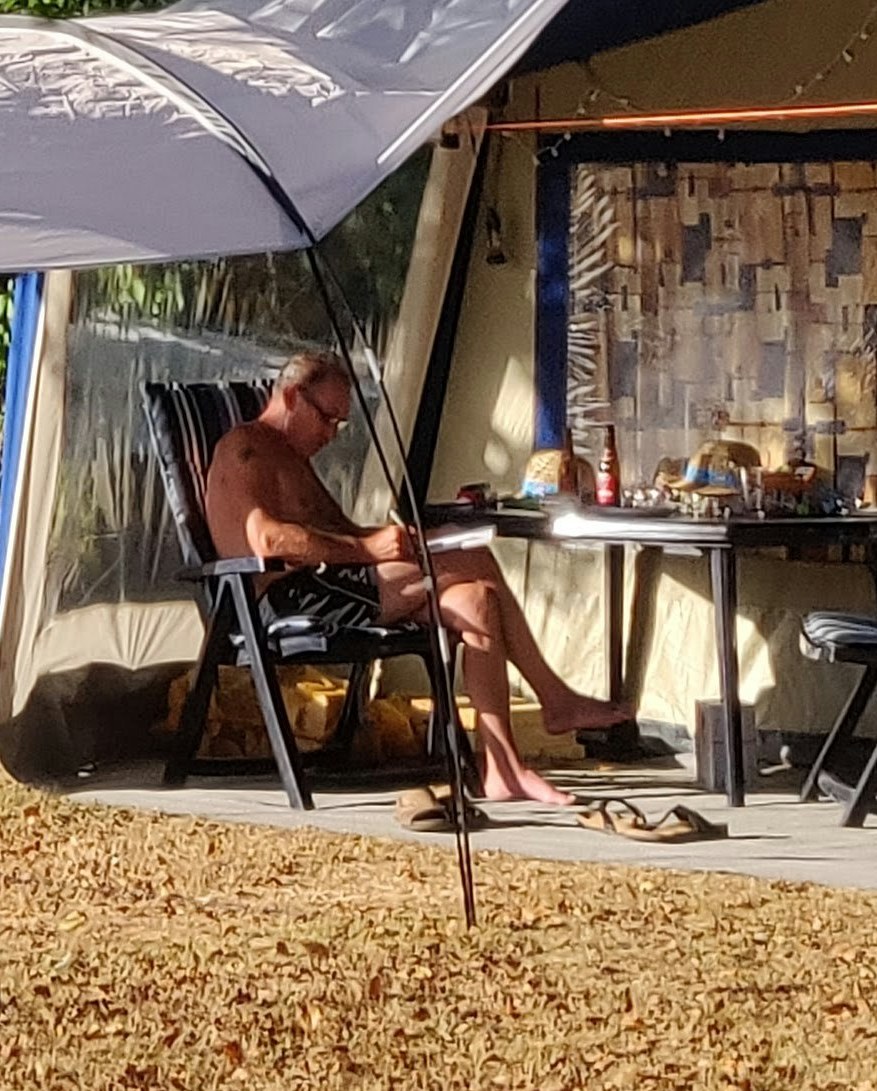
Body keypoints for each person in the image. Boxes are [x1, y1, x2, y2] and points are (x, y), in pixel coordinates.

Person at [197, 347, 632, 819]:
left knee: (477, 599)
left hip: (333, 583)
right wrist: (370, 551)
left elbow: (343, 534)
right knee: (475, 561)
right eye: (327, 418)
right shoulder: (247, 449)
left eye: (340, 424)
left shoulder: (291, 456)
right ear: (291, 396)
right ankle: (556, 699)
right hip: (286, 596)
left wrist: (421, 540)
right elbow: (267, 538)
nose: (330, 434)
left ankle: (503, 767)